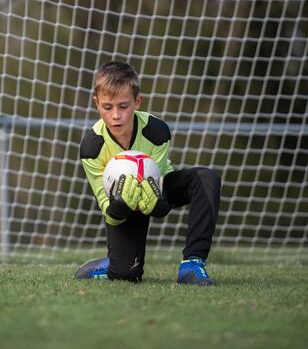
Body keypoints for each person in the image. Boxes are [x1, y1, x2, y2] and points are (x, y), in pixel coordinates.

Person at [76, 61, 221, 285]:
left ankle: (192, 264)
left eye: (123, 106)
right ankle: (112, 263)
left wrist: (159, 205)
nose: (116, 115)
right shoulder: (91, 148)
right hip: (121, 206)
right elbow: (106, 207)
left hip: (157, 187)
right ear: (97, 103)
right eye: (107, 107)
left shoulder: (156, 132)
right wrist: (121, 206)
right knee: (126, 275)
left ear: (137, 101)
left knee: (206, 177)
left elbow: (159, 178)